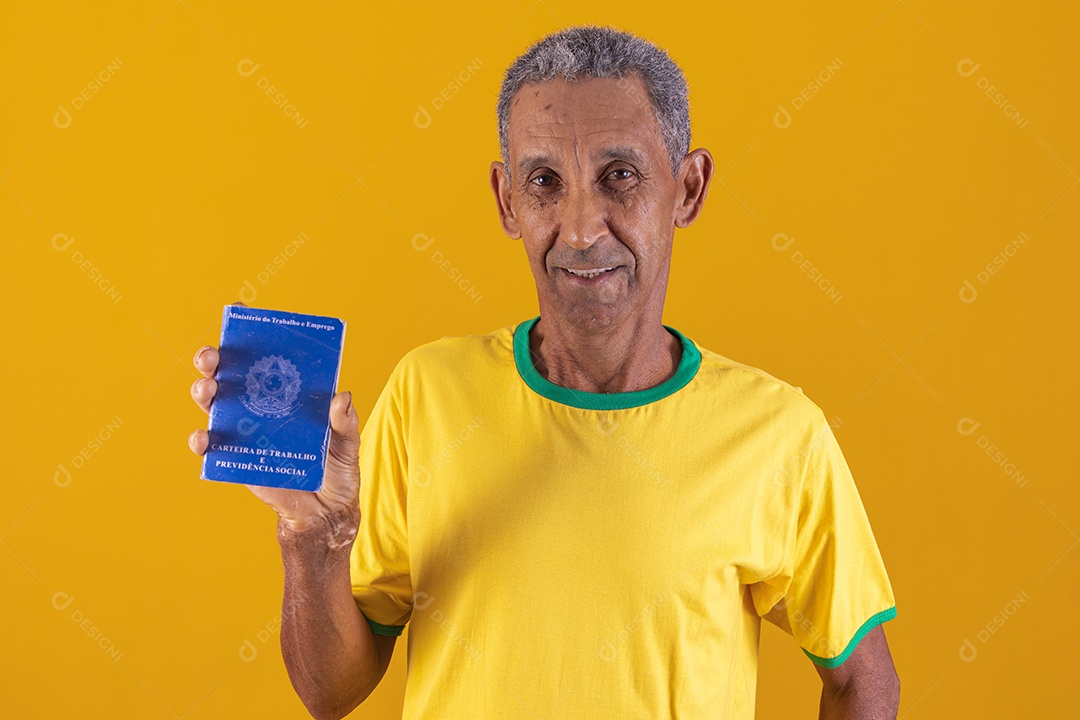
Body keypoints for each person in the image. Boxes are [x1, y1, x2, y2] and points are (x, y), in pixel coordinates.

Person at [189, 25, 899, 720]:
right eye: (544, 182)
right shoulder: (429, 394)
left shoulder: (779, 435)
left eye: (619, 177)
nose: (582, 226)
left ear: (688, 187)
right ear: (506, 200)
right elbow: (329, 693)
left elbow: (861, 683)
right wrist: (315, 535)